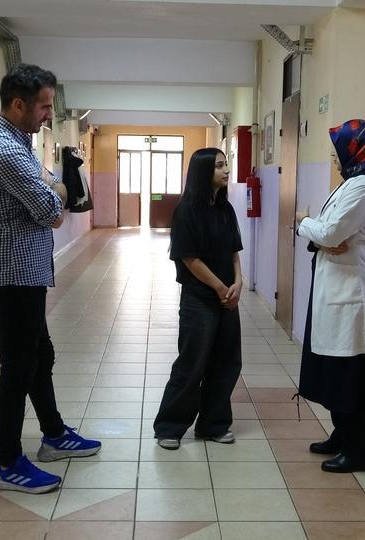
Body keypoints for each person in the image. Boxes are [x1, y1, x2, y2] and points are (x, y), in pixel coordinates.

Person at [0, 64, 101, 493]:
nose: (48, 115)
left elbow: (49, 189)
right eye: (44, 107)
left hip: (23, 273)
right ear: (18, 104)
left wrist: (52, 188)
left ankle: (54, 434)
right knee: (18, 369)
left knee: (39, 357)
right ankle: (8, 462)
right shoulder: (4, 152)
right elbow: (52, 210)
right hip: (10, 276)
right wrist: (57, 191)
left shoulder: (17, 141)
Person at [294, 119, 365, 473]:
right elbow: (328, 235)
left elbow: (330, 232)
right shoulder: (353, 181)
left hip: (352, 288)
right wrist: (320, 234)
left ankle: (360, 452)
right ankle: (342, 434)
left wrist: (304, 222)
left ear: (359, 149)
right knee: (333, 366)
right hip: (334, 282)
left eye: (337, 150)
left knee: (351, 370)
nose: (333, 157)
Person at [154, 148, 244, 450]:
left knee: (226, 362)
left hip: (227, 297)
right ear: (203, 171)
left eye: (226, 164)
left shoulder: (225, 209)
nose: (226, 170)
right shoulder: (187, 211)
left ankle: (213, 425)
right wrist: (220, 288)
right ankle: (169, 427)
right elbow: (189, 259)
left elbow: (234, 251)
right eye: (219, 166)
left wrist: (239, 283)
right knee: (192, 363)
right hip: (200, 299)